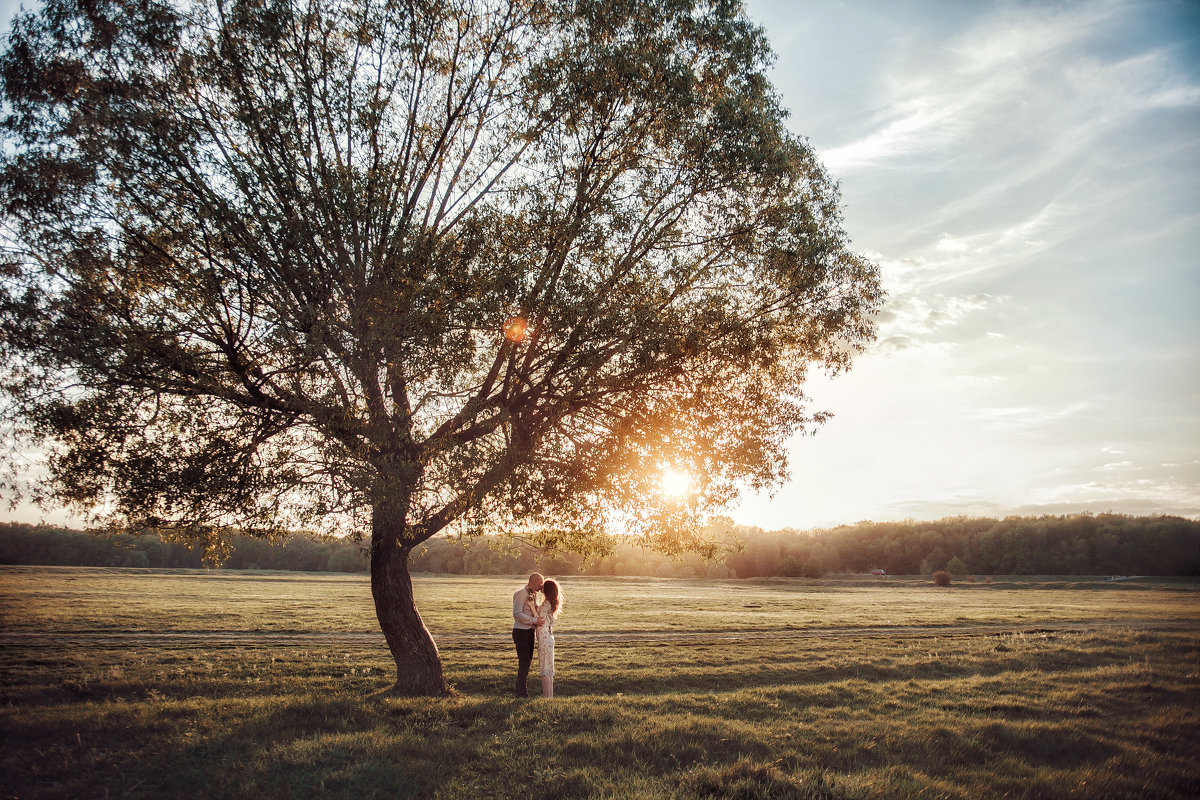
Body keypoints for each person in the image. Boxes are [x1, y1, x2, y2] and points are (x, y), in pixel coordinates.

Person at [511, 573, 544, 697]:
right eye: (540, 583)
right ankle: (521, 693)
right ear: (534, 581)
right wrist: (534, 621)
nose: (541, 586)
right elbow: (517, 613)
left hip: (530, 632)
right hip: (521, 632)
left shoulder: (534, 595)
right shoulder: (521, 593)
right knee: (524, 662)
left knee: (527, 662)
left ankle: (520, 690)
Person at [535, 578, 562, 698]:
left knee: (545, 669)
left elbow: (539, 620)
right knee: (549, 669)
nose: (541, 587)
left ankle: (547, 697)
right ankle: (549, 696)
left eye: (543, 586)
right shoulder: (550, 603)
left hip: (545, 639)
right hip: (549, 638)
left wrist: (531, 606)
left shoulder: (546, 604)